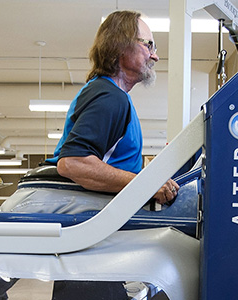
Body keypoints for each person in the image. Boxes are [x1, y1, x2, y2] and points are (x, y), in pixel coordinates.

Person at [44, 10, 179, 207]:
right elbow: (73, 163)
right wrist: (147, 184)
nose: (155, 56)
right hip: (77, 208)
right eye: (148, 45)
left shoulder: (111, 94)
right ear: (121, 45)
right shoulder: (109, 96)